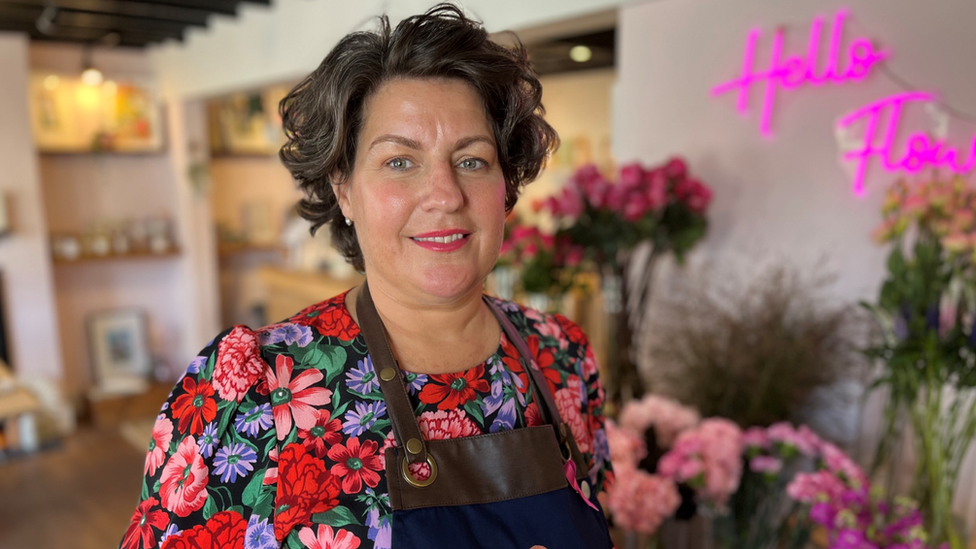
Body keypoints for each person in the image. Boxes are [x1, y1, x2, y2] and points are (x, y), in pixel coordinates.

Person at [119, 5, 613, 549]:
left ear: (506, 188)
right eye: (400, 161)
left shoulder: (562, 357)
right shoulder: (251, 390)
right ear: (344, 188)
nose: (446, 195)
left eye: (472, 160)